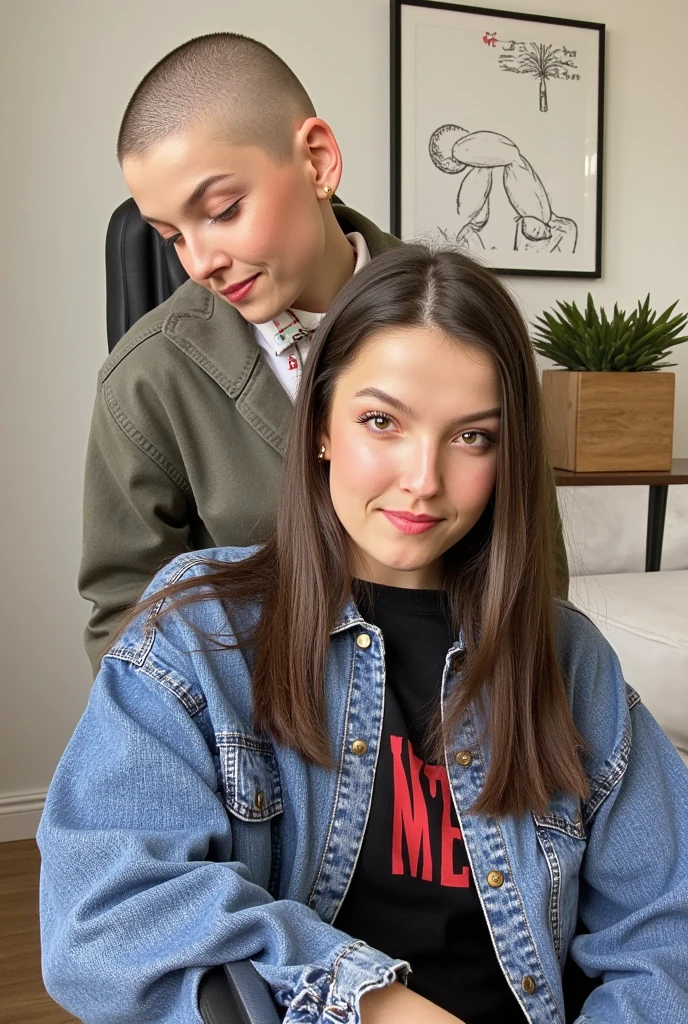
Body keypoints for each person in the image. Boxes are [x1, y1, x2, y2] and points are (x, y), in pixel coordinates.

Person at [40, 247, 688, 1024]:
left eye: (473, 437)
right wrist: (373, 1005)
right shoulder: (198, 632)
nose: (423, 478)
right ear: (319, 426)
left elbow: (667, 925)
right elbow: (103, 911)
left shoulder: (567, 658)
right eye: (382, 421)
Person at [79, 32, 569, 673]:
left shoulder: (468, 325)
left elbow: (533, 556)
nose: (201, 263)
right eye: (172, 237)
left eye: (224, 210)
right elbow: (127, 622)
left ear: (317, 160)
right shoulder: (145, 383)